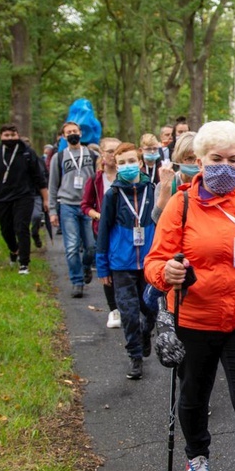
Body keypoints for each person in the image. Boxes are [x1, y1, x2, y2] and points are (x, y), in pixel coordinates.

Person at [145, 121, 235, 471]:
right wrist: (167, 273)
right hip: (194, 319)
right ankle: (197, 456)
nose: (226, 166)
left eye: (234, 159)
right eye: (216, 158)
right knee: (193, 398)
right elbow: (155, 261)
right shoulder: (182, 203)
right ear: (200, 159)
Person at [96, 143, 157, 379]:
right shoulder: (112, 194)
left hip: (149, 262)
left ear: (140, 163)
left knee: (150, 307)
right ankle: (135, 357)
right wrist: (103, 266)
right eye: (122, 163)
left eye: (132, 161)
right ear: (116, 166)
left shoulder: (151, 190)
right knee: (129, 312)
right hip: (121, 263)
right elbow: (103, 231)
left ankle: (145, 333)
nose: (127, 166)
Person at [0, 124, 48, 274]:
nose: (10, 138)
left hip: (24, 196)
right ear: (1, 137)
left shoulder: (27, 153)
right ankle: (14, 250)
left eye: (13, 135)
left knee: (21, 228)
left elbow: (39, 178)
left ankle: (24, 263)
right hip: (1, 197)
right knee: (6, 229)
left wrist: (46, 199)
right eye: (6, 136)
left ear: (18, 135)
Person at [48, 121, 98, 297]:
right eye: (68, 132)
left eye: (75, 131)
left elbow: (98, 181)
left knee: (91, 246)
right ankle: (77, 282)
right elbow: (53, 185)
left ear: (81, 133)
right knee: (71, 247)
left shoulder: (92, 154)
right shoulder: (58, 157)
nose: (72, 134)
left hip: (88, 206)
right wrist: (53, 211)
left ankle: (86, 267)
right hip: (67, 205)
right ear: (63, 136)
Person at [81, 137, 122, 329]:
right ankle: (114, 309)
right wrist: (98, 215)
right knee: (107, 269)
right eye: (110, 151)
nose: (113, 155)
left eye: (117, 151)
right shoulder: (95, 179)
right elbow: (85, 205)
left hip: (125, 232)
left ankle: (129, 306)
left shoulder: (129, 176)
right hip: (103, 231)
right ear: (103, 155)